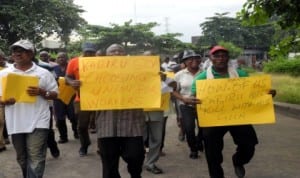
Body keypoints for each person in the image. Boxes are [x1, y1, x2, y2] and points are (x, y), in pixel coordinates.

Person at [191, 45, 276, 178]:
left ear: (228, 58)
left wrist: (267, 94)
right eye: (217, 56)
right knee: (212, 152)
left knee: (249, 144)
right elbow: (193, 97)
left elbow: (253, 93)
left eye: (223, 55)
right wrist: (193, 100)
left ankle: (238, 161)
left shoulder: (241, 75)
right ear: (211, 58)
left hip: (238, 117)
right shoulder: (201, 79)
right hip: (213, 119)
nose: (220, 58)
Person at [0, 39, 58, 178]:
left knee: (36, 157)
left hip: (39, 120)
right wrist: (5, 101)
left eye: (22, 51)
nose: (17, 54)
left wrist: (42, 92)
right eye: (15, 51)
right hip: (16, 122)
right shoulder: (4, 74)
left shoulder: (43, 73)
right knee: (22, 158)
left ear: (31, 53)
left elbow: (55, 94)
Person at [95, 44, 145, 178]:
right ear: (106, 55)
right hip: (107, 123)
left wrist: (162, 79)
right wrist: (76, 84)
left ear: (125, 54)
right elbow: (86, 92)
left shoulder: (137, 71)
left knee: (135, 155)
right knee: (109, 162)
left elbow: (159, 88)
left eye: (120, 50)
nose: (116, 53)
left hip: (132, 123)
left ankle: (136, 175)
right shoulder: (95, 73)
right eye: (112, 51)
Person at [65, 42, 97, 156]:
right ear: (82, 51)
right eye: (87, 52)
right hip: (82, 98)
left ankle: (102, 147)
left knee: (102, 124)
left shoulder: (102, 62)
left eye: (92, 52)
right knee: (82, 125)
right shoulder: (74, 62)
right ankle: (84, 145)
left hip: (102, 98)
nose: (89, 54)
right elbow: (67, 77)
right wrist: (72, 82)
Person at [172, 49, 204, 159]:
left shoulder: (206, 72)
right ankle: (193, 149)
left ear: (200, 60)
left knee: (203, 128)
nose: (194, 60)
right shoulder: (179, 75)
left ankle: (199, 142)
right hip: (186, 105)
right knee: (189, 128)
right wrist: (184, 99)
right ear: (184, 62)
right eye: (190, 59)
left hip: (203, 105)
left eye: (196, 58)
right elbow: (174, 90)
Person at [53, 52, 78, 143]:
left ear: (67, 58)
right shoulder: (54, 69)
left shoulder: (71, 67)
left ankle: (76, 132)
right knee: (60, 118)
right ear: (56, 59)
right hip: (58, 97)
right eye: (58, 57)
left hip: (72, 96)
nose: (61, 59)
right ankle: (63, 137)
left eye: (63, 57)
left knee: (73, 116)